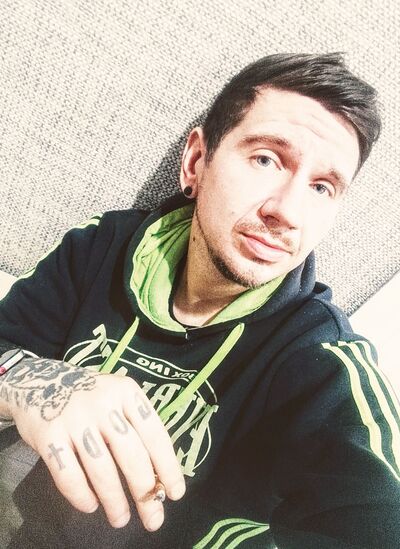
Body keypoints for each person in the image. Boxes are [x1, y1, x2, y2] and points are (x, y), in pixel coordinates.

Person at [0, 52, 399, 549]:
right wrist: (39, 382)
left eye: (322, 187)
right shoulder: (100, 248)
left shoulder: (321, 362)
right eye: (266, 159)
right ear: (195, 162)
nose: (288, 212)